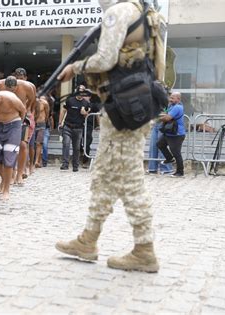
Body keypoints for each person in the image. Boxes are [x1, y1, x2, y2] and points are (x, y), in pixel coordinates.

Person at [55, 0, 161, 272]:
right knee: (103, 175)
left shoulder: (118, 12)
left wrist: (76, 67)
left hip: (125, 109)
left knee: (130, 178)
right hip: (125, 106)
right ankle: (88, 240)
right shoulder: (143, 11)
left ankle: (144, 250)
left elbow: (106, 58)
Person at [0, 75, 36, 184]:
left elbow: (32, 100)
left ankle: (19, 174)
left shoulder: (27, 87)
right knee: (7, 147)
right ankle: (11, 172)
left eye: (12, 90)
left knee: (22, 145)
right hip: (6, 118)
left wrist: (27, 111)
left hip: (22, 117)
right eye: (7, 89)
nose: (10, 92)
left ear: (16, 86)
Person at [15, 68, 38, 176]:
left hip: (27, 118)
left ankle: (25, 167)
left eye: (21, 78)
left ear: (25, 78)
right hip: (15, 118)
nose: (20, 80)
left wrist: (30, 116)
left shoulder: (30, 88)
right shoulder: (13, 88)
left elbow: (34, 105)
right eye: (17, 78)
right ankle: (19, 168)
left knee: (25, 144)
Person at [58, 86, 87, 172]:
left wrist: (84, 113)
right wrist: (60, 123)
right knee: (66, 144)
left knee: (77, 147)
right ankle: (65, 164)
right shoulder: (70, 100)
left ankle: (75, 165)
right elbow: (63, 110)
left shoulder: (85, 103)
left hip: (78, 128)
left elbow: (87, 115)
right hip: (67, 126)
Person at [157, 92, 186, 177]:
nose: (170, 99)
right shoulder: (171, 106)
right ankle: (169, 158)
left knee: (176, 153)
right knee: (159, 144)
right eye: (170, 97)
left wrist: (156, 117)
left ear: (178, 99)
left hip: (177, 135)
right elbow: (165, 113)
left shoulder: (178, 107)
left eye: (172, 98)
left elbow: (167, 117)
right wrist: (162, 115)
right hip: (169, 133)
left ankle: (180, 172)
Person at [78, 89, 100, 168]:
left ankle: (85, 161)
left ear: (89, 97)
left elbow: (97, 114)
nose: (84, 97)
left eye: (86, 96)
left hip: (89, 126)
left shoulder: (92, 105)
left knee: (88, 143)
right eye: (83, 95)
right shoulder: (79, 103)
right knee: (78, 142)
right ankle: (80, 151)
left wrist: (99, 125)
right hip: (78, 125)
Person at [33, 96, 50, 168]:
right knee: (31, 144)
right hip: (33, 124)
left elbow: (47, 115)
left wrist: (43, 122)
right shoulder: (32, 103)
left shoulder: (44, 103)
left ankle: (37, 161)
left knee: (39, 143)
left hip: (41, 124)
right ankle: (33, 160)